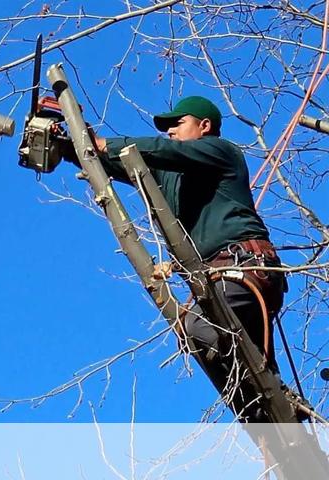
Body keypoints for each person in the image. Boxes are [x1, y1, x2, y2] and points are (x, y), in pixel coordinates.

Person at [64, 96, 288, 421]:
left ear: (204, 126)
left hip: (244, 267)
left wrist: (102, 143)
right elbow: (122, 163)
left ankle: (273, 395)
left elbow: (165, 152)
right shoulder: (170, 177)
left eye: (177, 123)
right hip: (220, 281)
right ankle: (276, 425)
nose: (170, 131)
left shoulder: (221, 152)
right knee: (234, 377)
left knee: (198, 325)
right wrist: (74, 145)